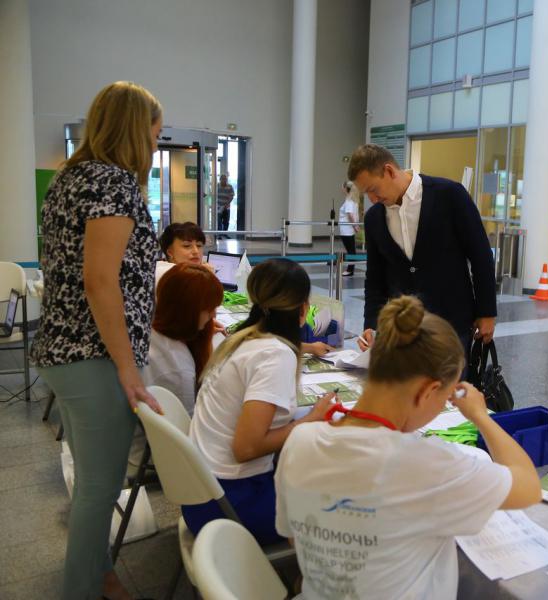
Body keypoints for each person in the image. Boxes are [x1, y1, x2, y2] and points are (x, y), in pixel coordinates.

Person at [275, 295, 541, 600]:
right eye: (444, 399)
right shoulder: (426, 465)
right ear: (427, 391)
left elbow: (296, 540)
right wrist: (481, 416)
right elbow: (528, 487)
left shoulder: (300, 441)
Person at [31, 81, 163, 600]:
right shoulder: (114, 182)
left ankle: (101, 574)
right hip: (93, 354)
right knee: (100, 487)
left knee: (92, 478)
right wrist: (127, 367)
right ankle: (81, 588)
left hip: (66, 350)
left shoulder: (72, 177)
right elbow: (100, 281)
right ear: (136, 130)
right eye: (154, 134)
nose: (155, 145)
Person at [184, 258, 333, 544]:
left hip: (201, 494)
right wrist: (311, 419)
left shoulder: (241, 339)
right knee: (351, 505)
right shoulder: (275, 355)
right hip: (231, 505)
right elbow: (247, 448)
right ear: (304, 309)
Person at [348, 144, 497, 355]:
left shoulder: (449, 195)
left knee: (452, 378)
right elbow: (375, 278)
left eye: (373, 189)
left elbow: (480, 254)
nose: (372, 199)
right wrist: (371, 325)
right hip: (402, 330)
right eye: (366, 193)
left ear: (389, 171)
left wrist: (487, 312)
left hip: (451, 325)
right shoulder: (374, 218)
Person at [144, 263, 224, 414]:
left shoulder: (148, 331)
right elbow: (187, 424)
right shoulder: (179, 371)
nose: (214, 315)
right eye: (209, 309)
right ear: (188, 311)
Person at [339, 181, 360, 276]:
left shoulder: (349, 201)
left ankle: (350, 270)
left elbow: (350, 214)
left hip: (346, 229)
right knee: (351, 249)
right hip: (348, 229)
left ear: (346, 189)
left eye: (342, 187)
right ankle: (350, 269)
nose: (341, 189)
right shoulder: (352, 200)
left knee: (351, 250)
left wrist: (355, 226)